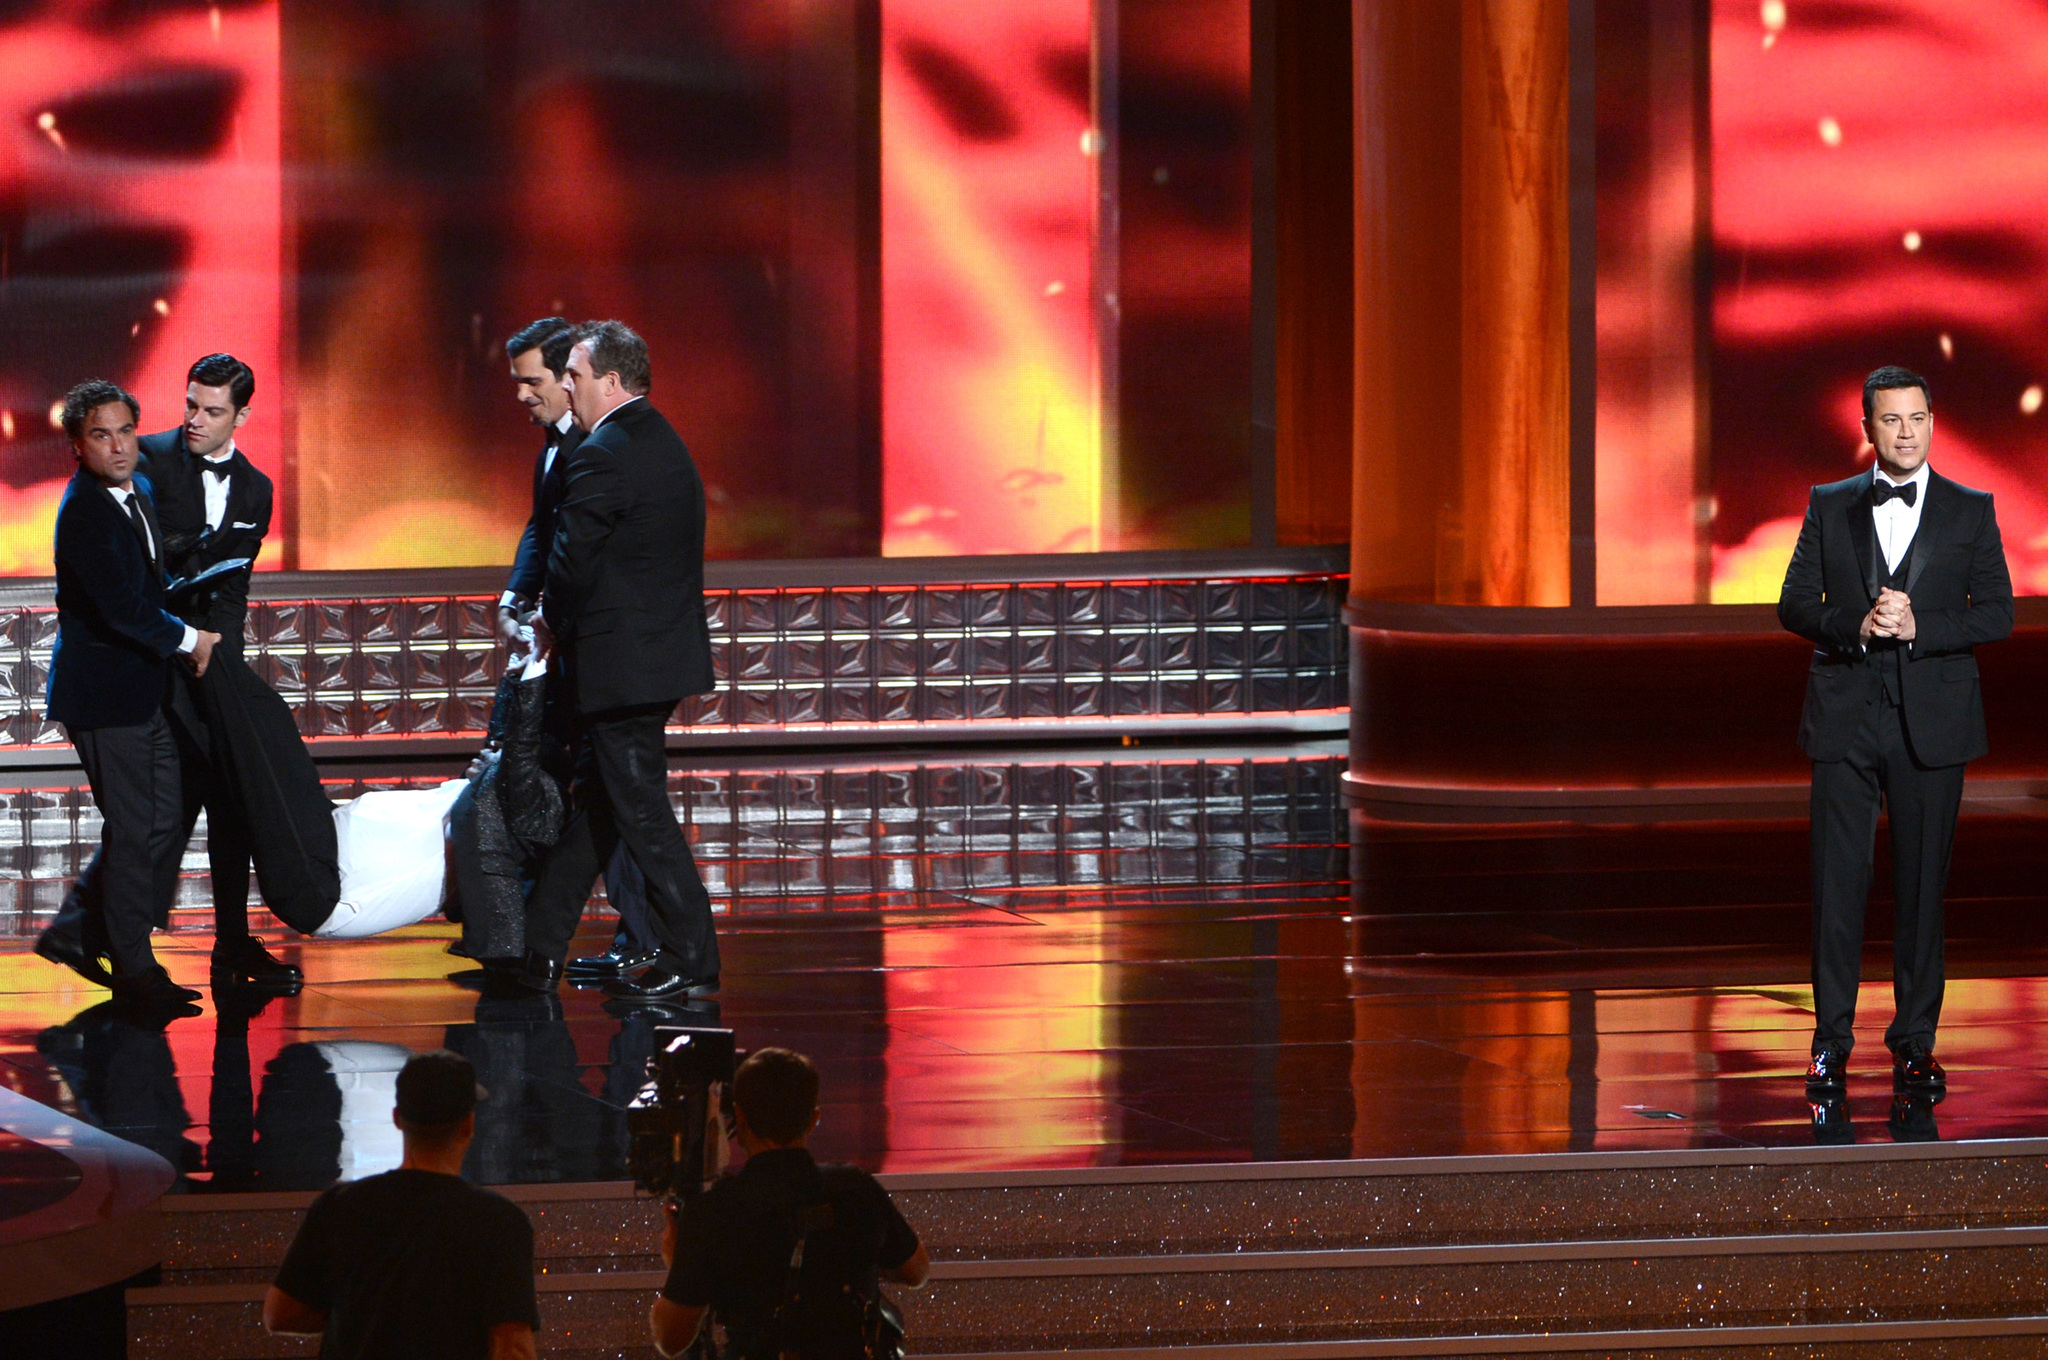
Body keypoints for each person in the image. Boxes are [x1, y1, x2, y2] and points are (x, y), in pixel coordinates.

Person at [1778, 365, 2013, 1098]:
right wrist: (1853, 625)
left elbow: (1997, 614)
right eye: (1891, 421)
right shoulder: (1830, 504)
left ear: (1932, 422)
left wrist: (1919, 628)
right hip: (1846, 720)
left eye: (1917, 419)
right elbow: (1792, 603)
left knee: (1920, 893)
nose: (1906, 432)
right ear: (1867, 429)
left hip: (1932, 723)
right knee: (1837, 889)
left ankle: (1914, 1045)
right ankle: (1829, 1047)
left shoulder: (1971, 509)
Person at [516, 321, 721, 1001]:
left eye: (573, 374)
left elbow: (573, 567)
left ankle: (694, 956)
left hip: (623, 668)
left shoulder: (604, 452)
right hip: (651, 660)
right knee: (603, 810)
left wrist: (547, 621)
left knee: (640, 815)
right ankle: (540, 949)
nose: (564, 385)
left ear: (610, 381)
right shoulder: (657, 439)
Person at [36, 381, 219, 1008]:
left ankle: (80, 930)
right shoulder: (84, 510)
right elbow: (120, 609)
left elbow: (149, 584)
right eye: (100, 435)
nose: (118, 446)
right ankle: (134, 968)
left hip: (143, 687)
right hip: (104, 692)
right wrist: (190, 637)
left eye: (125, 432)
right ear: (77, 446)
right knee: (137, 824)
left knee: (165, 813)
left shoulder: (135, 489)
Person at [494, 317, 660, 982]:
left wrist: (551, 620)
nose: (524, 395)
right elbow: (543, 531)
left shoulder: (603, 447)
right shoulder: (554, 448)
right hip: (570, 649)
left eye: (535, 381)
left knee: (612, 796)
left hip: (603, 653)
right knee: (598, 794)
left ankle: (635, 937)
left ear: (572, 380)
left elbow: (588, 556)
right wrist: (515, 596)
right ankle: (624, 936)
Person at [136, 352, 300, 993]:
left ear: (242, 415)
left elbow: (236, 588)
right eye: (190, 406)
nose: (196, 420)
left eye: (212, 411)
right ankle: (123, 945)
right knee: (161, 812)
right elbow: (135, 573)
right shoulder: (146, 460)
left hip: (213, 665)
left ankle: (231, 943)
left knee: (234, 802)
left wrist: (219, 656)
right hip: (153, 665)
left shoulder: (256, 488)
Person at [653, 1048, 929, 1360]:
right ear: (813, 1119)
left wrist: (680, 1267)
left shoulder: (714, 1212)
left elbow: (670, 1340)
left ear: (739, 1118)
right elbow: (916, 1271)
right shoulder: (856, 1189)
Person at [263, 1049, 540, 1360]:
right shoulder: (500, 1221)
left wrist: (360, 1317)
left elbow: (280, 1314)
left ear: (397, 1118)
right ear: (468, 1126)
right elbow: (512, 1346)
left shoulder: (339, 1206)